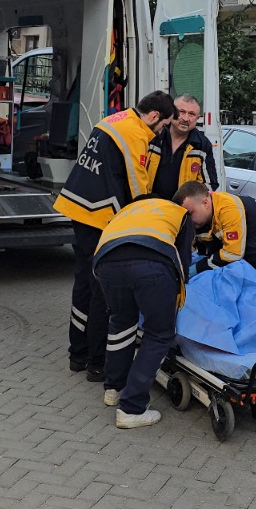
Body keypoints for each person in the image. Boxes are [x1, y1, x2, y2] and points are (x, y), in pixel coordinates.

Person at [54, 91, 176, 382]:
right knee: (102, 291)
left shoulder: (116, 118)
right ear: (154, 116)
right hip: (97, 216)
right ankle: (98, 363)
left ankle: (78, 354)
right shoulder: (135, 133)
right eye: (163, 126)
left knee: (83, 283)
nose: (161, 133)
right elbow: (136, 187)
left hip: (78, 206)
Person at [95, 190, 198, 428]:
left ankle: (114, 389)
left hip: (106, 262)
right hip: (152, 265)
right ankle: (131, 409)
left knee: (121, 323)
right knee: (159, 334)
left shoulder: (127, 211)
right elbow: (182, 261)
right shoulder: (179, 213)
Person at [178, 182, 256, 310]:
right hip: (255, 240)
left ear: (205, 203)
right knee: (249, 295)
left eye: (190, 213)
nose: (188, 220)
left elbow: (233, 254)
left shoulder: (228, 208)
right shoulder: (204, 216)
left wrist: (198, 268)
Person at [148, 94, 216, 199]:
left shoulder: (202, 145)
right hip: (149, 207)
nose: (185, 118)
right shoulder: (153, 137)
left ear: (197, 118)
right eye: (182, 112)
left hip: (183, 210)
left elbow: (209, 185)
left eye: (191, 114)